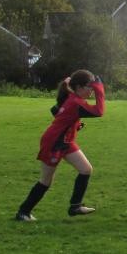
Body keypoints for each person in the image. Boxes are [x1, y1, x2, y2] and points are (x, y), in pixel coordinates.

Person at [16, 70, 106, 221]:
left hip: (65, 141)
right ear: (78, 87)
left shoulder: (72, 97)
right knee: (46, 181)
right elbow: (99, 111)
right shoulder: (76, 102)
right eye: (89, 87)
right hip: (54, 143)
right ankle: (23, 212)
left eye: (92, 88)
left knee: (86, 169)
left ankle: (75, 206)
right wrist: (100, 89)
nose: (91, 91)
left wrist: (73, 126)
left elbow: (56, 111)